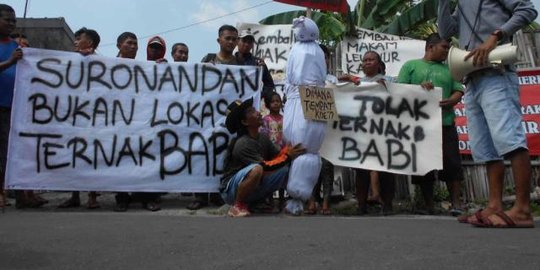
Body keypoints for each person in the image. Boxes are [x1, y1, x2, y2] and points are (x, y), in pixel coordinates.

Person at [438, 0, 537, 228]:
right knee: (486, 147)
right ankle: (495, 206)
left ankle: (522, 209)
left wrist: (496, 35)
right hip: (472, 78)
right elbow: (446, 32)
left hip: (497, 73)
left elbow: (527, 9)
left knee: (509, 139)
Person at [397, 33, 465, 215]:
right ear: (430, 47)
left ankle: (456, 203)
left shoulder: (451, 68)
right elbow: (399, 91)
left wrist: (451, 100)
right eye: (444, 47)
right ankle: (428, 206)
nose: (446, 51)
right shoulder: (410, 66)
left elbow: (459, 90)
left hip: (445, 123)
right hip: (418, 126)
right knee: (423, 165)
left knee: (452, 164)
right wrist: (418, 88)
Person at [220, 98, 305, 217]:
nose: (258, 113)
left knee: (285, 169)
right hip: (230, 192)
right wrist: (287, 156)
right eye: (252, 111)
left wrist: (290, 149)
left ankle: (255, 203)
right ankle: (237, 206)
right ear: (245, 122)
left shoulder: (263, 138)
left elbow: (278, 156)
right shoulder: (242, 144)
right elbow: (265, 166)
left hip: (254, 185)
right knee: (257, 169)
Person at [187, 24, 240, 211]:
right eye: (228, 38)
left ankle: (218, 193)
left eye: (235, 39)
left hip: (230, 120)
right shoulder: (208, 60)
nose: (232, 42)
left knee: (225, 157)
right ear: (219, 40)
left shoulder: (240, 64)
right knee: (203, 155)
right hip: (207, 118)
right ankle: (200, 195)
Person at [282, 16, 327, 215]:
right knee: (302, 148)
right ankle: (301, 197)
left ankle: (300, 196)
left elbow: (298, 75)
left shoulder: (306, 50)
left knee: (302, 146)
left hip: (306, 98)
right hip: (303, 98)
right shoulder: (309, 50)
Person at [57, 27, 101, 209]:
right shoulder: (69, 61)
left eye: (78, 39)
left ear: (89, 43)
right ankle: (74, 195)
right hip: (74, 116)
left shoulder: (102, 63)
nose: (75, 42)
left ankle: (92, 196)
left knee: (92, 155)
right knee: (73, 154)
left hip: (95, 117)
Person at [354, 51, 395, 215]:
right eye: (365, 60)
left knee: (386, 168)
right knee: (361, 169)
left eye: (371, 60)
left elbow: (405, 94)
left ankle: (388, 205)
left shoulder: (391, 81)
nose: (367, 62)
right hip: (362, 132)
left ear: (379, 64)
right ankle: (361, 205)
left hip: (385, 131)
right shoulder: (357, 83)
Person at [306, 44, 335, 215]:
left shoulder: (334, 81)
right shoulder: (305, 79)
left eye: (323, 56)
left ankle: (326, 203)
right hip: (309, 130)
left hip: (329, 133)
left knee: (327, 167)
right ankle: (311, 200)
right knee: (309, 165)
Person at [0, 4, 22, 211]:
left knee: (5, 153)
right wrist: (9, 61)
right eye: (7, 20)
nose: (11, 24)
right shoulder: (11, 52)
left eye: (14, 21)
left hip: (11, 107)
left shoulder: (15, 46)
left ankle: (3, 193)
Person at [113, 31, 138, 212]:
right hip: (116, 124)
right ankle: (122, 197)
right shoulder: (105, 66)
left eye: (135, 44)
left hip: (138, 123)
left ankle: (143, 195)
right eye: (129, 43)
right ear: (119, 45)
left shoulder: (144, 67)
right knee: (119, 161)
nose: (133, 47)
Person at [235, 29, 275, 98]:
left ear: (252, 45)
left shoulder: (258, 63)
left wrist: (259, 95)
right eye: (244, 41)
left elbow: (269, 85)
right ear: (237, 41)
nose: (246, 44)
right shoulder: (230, 60)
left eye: (250, 42)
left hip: (250, 105)